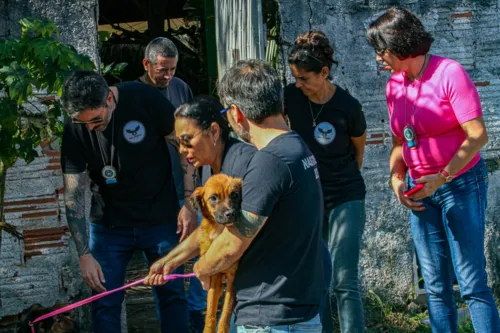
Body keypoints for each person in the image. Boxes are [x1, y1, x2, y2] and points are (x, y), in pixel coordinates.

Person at [147, 59, 326, 333]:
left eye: (186, 141)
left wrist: (203, 268)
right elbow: (216, 228)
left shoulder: (265, 163)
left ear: (234, 113)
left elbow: (232, 243)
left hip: (271, 315)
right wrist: (171, 261)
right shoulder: (296, 147)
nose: (183, 150)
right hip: (292, 310)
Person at [367, 7, 500, 333]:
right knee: (435, 284)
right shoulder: (394, 86)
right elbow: (399, 141)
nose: (378, 58)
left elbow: (478, 135)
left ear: (399, 46)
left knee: (471, 282)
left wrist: (441, 178)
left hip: (460, 184)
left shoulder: (449, 73)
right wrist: (397, 179)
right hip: (419, 190)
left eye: (381, 50)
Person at [60, 70, 197, 333]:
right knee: (105, 301)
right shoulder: (75, 128)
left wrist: (190, 201)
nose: (90, 128)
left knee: (172, 295)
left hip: (160, 218)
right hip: (108, 226)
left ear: (109, 99)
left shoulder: (144, 98)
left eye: (96, 120)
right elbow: (73, 194)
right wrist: (84, 254)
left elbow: (184, 145)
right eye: (82, 123)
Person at [285, 31, 367, 332]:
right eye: (295, 77)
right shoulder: (290, 97)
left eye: (304, 78)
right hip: (309, 198)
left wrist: (338, 180)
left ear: (324, 72)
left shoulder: (348, 106)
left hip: (346, 195)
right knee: (317, 277)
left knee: (344, 280)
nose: (298, 84)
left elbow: (358, 151)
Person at [138, 36, 207, 332]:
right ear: (146, 64)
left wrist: (190, 199)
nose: (168, 77)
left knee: (204, 249)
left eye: (173, 69)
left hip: (188, 186)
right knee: (167, 264)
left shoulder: (181, 89)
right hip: (155, 196)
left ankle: (198, 314)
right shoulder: (133, 96)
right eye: (162, 70)